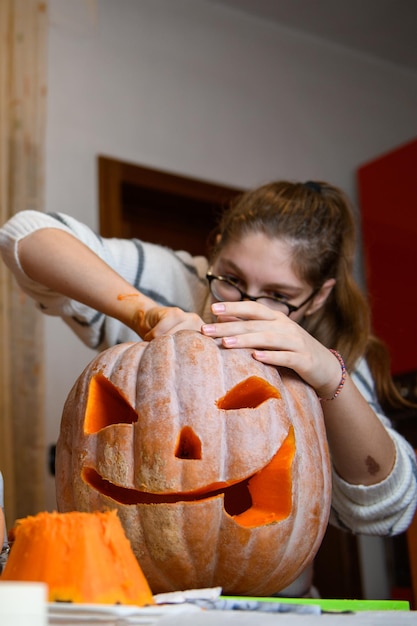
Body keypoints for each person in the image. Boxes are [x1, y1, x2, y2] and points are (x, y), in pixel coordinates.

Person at [1, 180, 416, 597]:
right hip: (138, 600)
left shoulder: (335, 353)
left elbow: (389, 512)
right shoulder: (181, 281)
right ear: (215, 249)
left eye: (278, 295)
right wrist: (146, 312)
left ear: (317, 297)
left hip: (270, 608)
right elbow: (26, 234)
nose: (246, 306)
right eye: (231, 278)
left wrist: (329, 375)